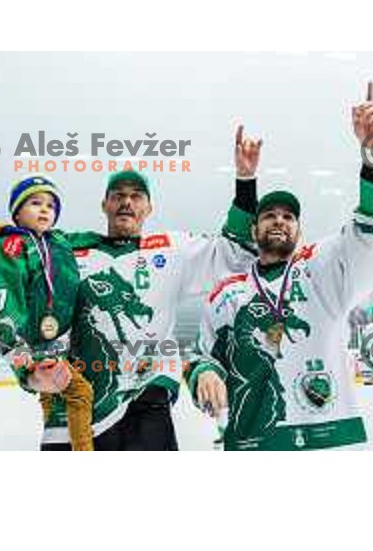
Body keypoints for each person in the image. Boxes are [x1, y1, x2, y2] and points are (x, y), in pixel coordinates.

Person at [189, 82, 373, 450]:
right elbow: (202, 355)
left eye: (289, 216)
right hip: (253, 444)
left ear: (299, 230)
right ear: (253, 229)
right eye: (269, 215)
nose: (279, 221)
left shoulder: (323, 269)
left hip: (329, 440)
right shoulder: (226, 293)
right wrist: (205, 374)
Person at [30, 126, 261, 450]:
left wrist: (245, 181)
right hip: (78, 405)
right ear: (105, 205)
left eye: (136, 196)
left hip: (146, 402)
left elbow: (233, 253)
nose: (127, 202)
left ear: (148, 208)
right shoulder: (68, 253)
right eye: (118, 196)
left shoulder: (170, 249)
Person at [0, 175, 94, 450]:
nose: (45, 209)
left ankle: (55, 442)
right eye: (35, 202)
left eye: (51, 206)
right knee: (80, 393)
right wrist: (21, 358)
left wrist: (113, 240)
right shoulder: (8, 246)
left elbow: (90, 240)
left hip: (58, 344)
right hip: (31, 346)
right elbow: (0, 302)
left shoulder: (59, 242)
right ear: (17, 212)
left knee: (54, 400)